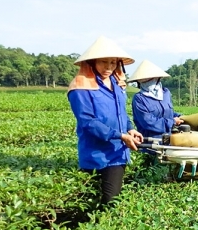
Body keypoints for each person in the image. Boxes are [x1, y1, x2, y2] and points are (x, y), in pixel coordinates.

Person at [67, 36, 143, 206]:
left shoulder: (117, 84)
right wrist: (120, 136)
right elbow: (87, 121)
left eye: (113, 63)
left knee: (110, 201)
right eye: (103, 62)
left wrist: (130, 129)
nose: (109, 67)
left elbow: (121, 113)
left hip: (117, 153)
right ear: (92, 62)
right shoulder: (80, 87)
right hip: (95, 153)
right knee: (92, 202)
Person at [130, 59, 184, 141]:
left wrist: (179, 116)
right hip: (150, 143)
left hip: (169, 140)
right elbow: (147, 122)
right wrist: (172, 122)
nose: (145, 82)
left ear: (157, 78)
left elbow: (168, 113)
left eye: (148, 79)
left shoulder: (166, 93)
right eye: (141, 80)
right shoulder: (139, 98)